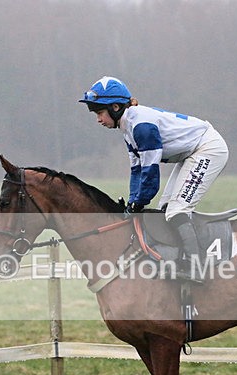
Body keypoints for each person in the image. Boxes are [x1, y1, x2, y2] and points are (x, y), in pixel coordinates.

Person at [79, 76, 229, 283]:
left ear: (115, 107)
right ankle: (177, 261)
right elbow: (136, 169)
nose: (98, 119)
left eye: (99, 113)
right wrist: (133, 201)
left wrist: (139, 203)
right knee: (165, 209)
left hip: (208, 149)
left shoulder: (141, 126)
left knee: (177, 210)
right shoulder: (127, 127)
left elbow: (150, 172)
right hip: (191, 153)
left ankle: (196, 267)